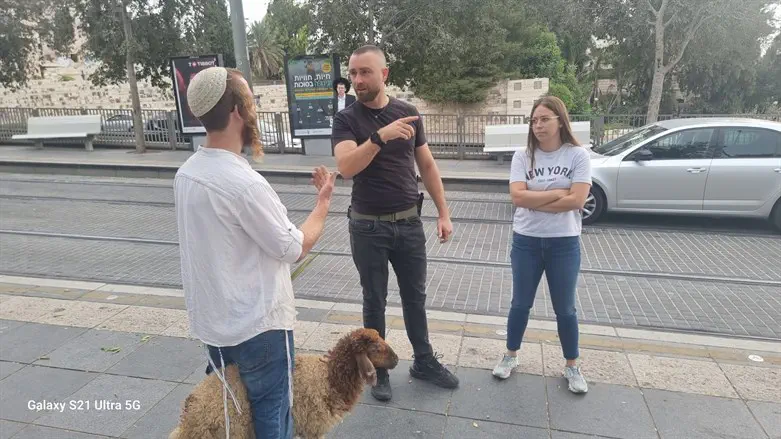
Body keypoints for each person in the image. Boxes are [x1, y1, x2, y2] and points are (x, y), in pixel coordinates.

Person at [173, 66, 337, 439]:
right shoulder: (245, 184)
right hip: (258, 326)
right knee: (271, 412)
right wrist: (323, 204)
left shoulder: (186, 174)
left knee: (233, 414)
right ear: (236, 111)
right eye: (251, 100)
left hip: (216, 326)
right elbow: (294, 247)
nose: (255, 110)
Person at [330, 44, 459, 402]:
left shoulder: (409, 113)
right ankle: (378, 370)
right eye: (354, 73)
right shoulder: (346, 120)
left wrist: (444, 213)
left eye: (365, 72)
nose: (357, 80)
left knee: (415, 297)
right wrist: (379, 137)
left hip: (408, 224)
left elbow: (428, 166)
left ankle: (424, 360)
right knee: (374, 300)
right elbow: (346, 166)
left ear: (384, 74)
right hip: (368, 226)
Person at [492, 95, 591, 394]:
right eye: (534, 120)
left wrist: (538, 200)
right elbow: (517, 198)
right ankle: (510, 355)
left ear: (560, 120)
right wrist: (558, 193)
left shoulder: (577, 155)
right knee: (520, 303)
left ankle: (571, 365)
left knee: (565, 308)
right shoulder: (523, 156)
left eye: (544, 119)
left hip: (564, 243)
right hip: (527, 241)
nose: (538, 125)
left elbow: (577, 200)